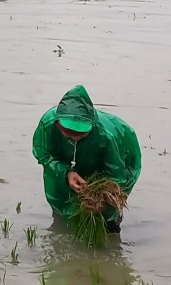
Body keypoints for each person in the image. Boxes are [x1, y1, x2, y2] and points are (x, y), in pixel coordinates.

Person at [31, 85, 142, 233]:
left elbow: (117, 174)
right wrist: (66, 172)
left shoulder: (108, 135)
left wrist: (102, 199)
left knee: (106, 221)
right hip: (64, 162)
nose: (74, 136)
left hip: (120, 160)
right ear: (58, 124)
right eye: (68, 132)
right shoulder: (48, 123)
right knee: (62, 214)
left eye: (81, 133)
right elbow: (43, 154)